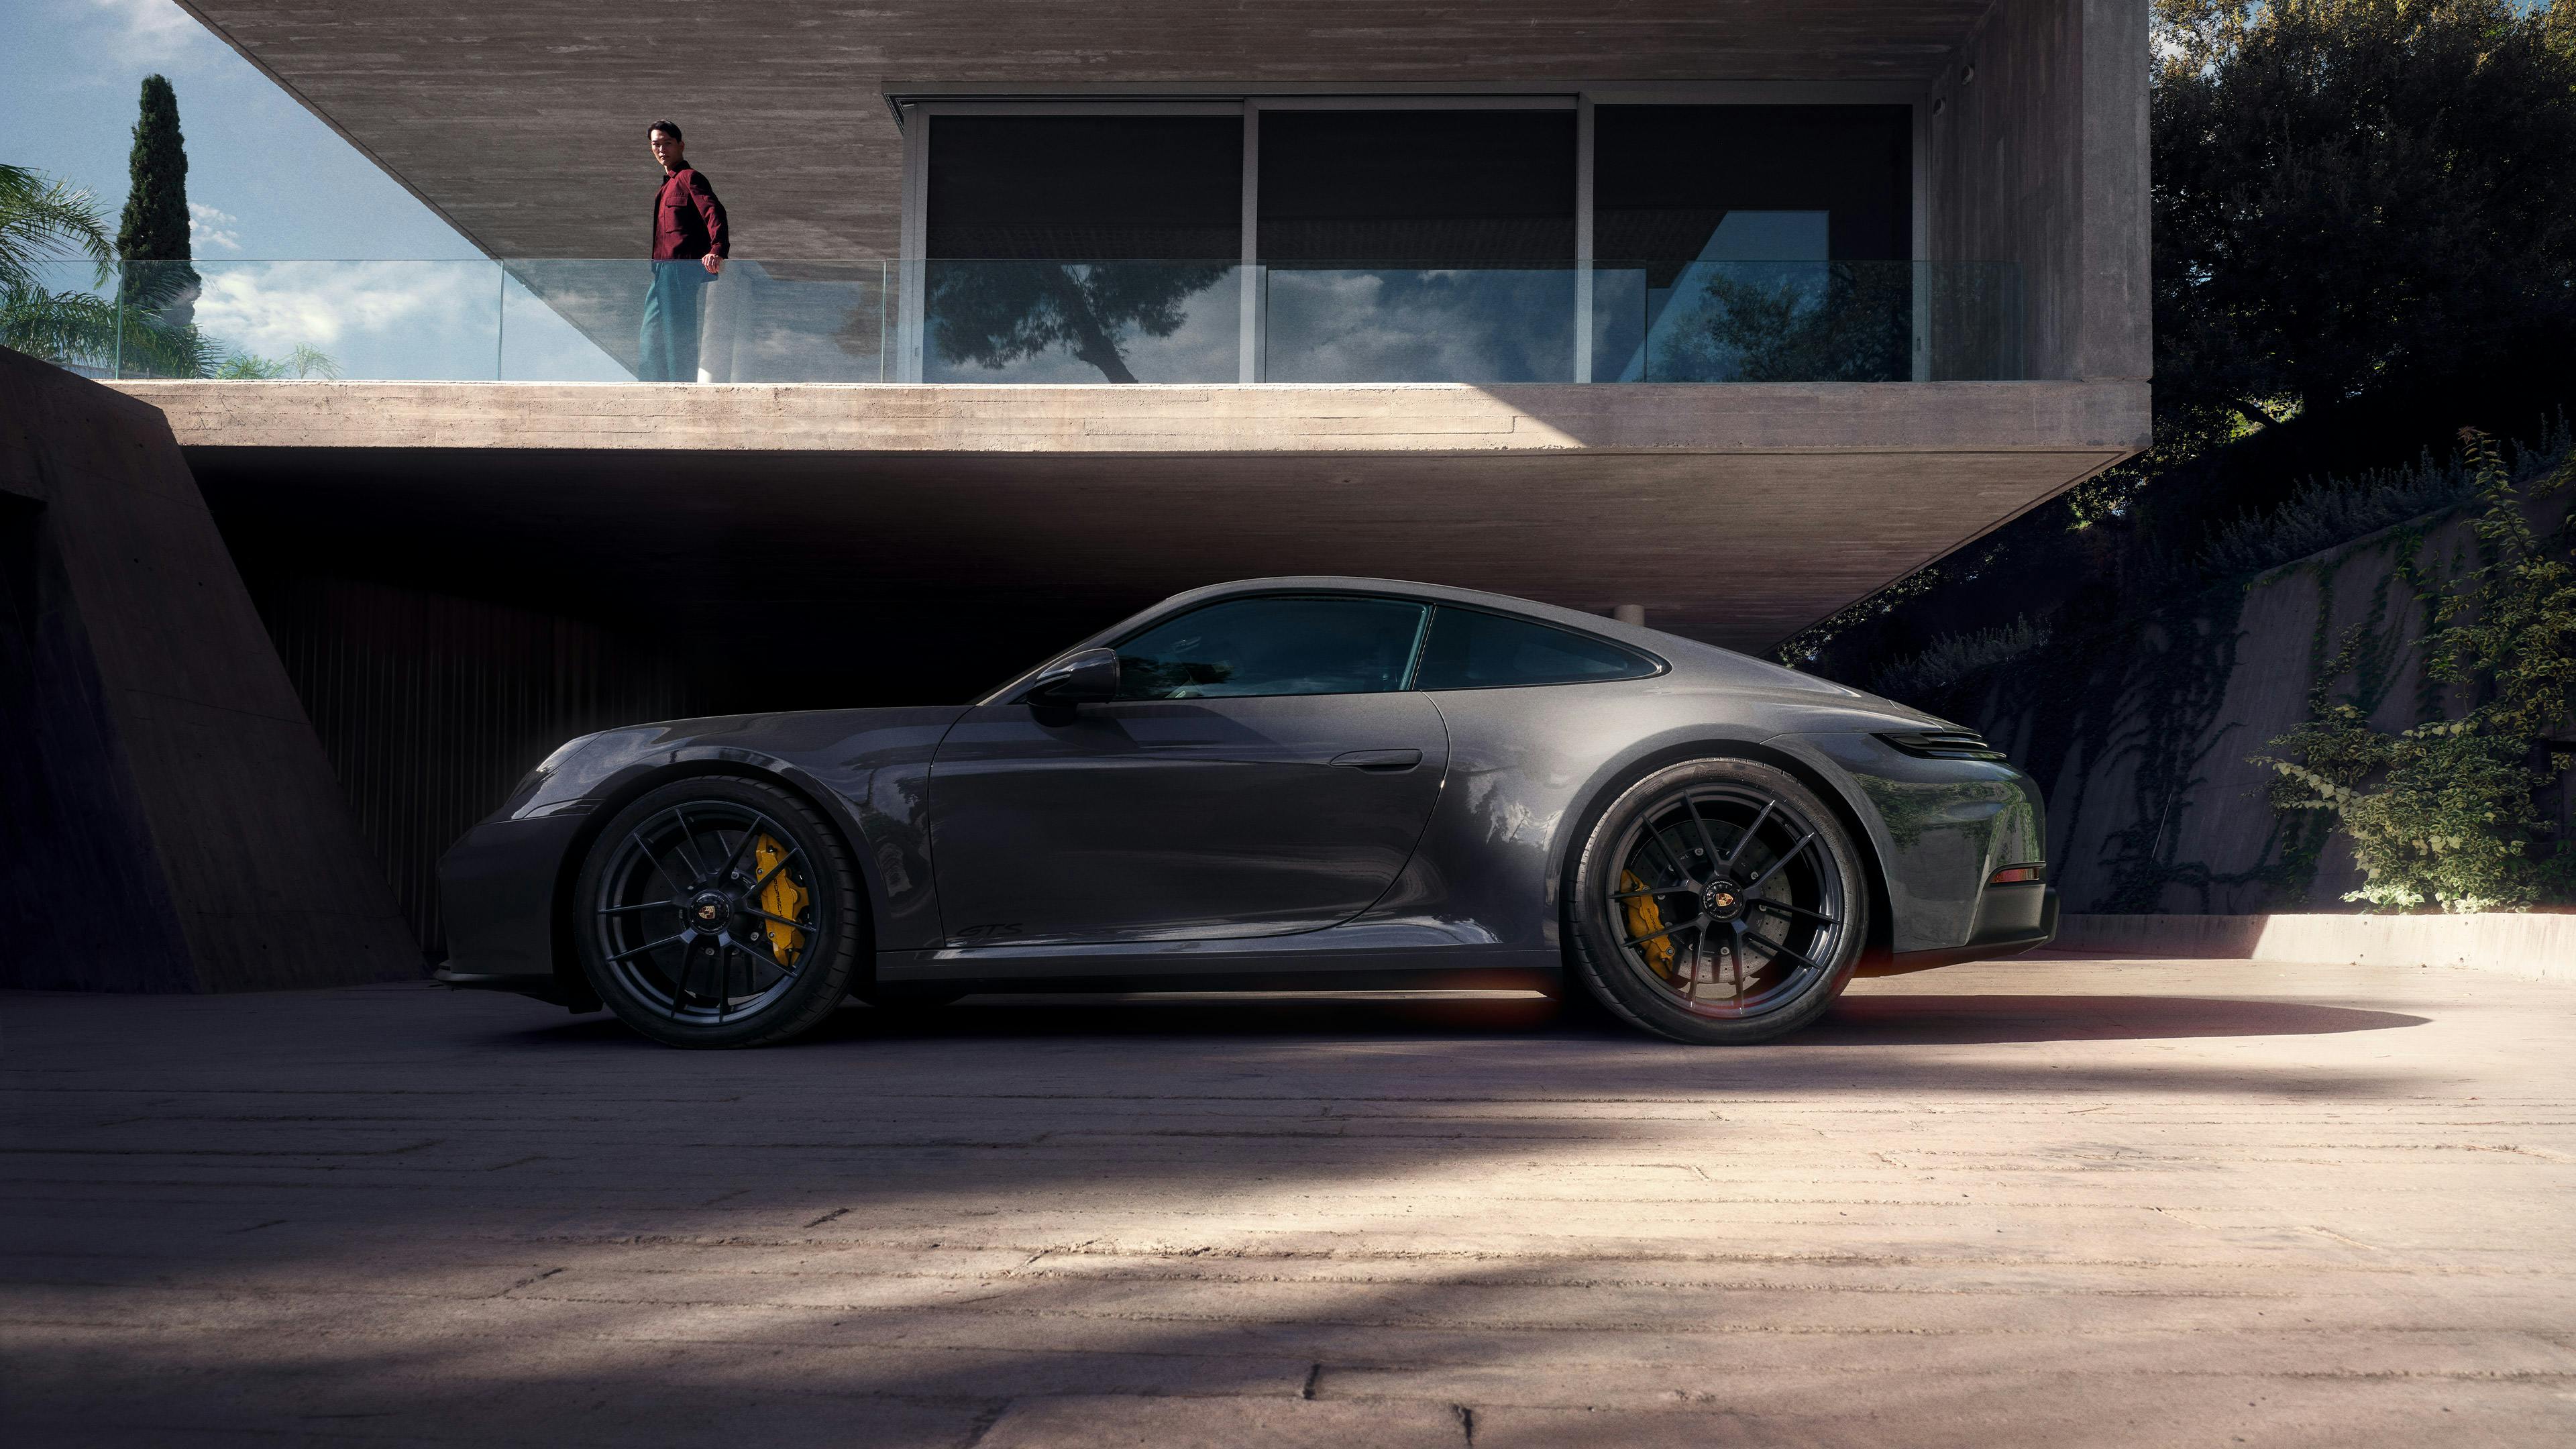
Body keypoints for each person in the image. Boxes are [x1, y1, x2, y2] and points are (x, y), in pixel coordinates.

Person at [639, 120, 729, 382]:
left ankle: (683, 387)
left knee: (678, 334)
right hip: (661, 272)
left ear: (681, 145)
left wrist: (717, 249)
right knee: (650, 336)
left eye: (668, 143)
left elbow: (714, 212)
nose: (662, 150)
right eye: (656, 144)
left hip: (680, 269)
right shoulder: (666, 186)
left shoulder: (690, 178)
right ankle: (651, 388)